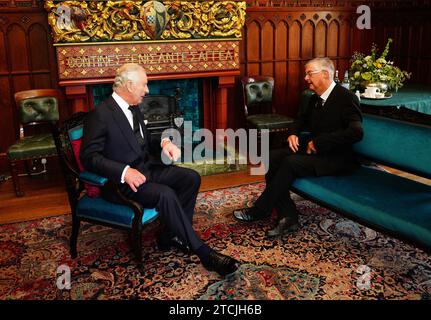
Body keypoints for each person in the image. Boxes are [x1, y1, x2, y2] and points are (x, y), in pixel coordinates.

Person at [80, 63, 238, 276]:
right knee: (166, 194)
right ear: (129, 85)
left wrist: (164, 142)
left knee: (190, 178)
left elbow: (145, 140)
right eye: (144, 85)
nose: (147, 90)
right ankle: (203, 252)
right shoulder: (101, 114)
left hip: (148, 168)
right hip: (122, 184)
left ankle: (172, 235)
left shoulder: (134, 108)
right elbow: (89, 157)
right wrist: (124, 171)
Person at [233, 57, 364, 237]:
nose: (306, 78)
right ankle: (288, 215)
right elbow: (300, 120)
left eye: (310, 73)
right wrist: (293, 133)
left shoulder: (346, 98)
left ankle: (260, 209)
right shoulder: (314, 98)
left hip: (336, 158)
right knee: (271, 157)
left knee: (290, 162)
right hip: (313, 152)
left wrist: (320, 142)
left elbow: (356, 133)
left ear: (325, 74)